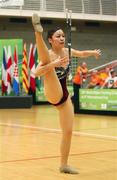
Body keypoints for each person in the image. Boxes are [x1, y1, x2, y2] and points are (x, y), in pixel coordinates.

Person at [32, 13, 101, 174]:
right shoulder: (49, 55)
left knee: (68, 132)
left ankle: (64, 165)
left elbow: (82, 53)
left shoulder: (67, 52)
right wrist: (55, 64)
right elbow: (36, 73)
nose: (62, 38)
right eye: (58, 36)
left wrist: (93, 52)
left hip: (64, 97)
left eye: (63, 36)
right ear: (50, 40)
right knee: (48, 65)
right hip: (52, 91)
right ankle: (37, 32)